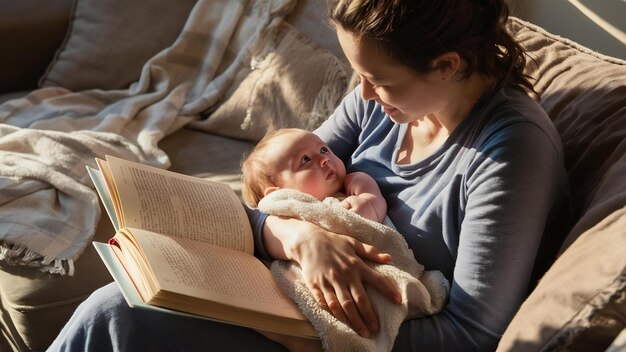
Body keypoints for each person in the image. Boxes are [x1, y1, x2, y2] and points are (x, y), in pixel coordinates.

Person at [48, 0, 570, 351]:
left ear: (449, 65)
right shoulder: (384, 105)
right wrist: (299, 237)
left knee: (118, 320)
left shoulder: (510, 152)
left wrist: (304, 329)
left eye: (378, 80)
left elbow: (471, 334)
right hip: (284, 290)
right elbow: (268, 195)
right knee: (115, 308)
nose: (361, 95)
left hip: (340, 336)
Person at [241, 127, 387, 224]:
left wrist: (368, 206)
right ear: (279, 194)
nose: (324, 159)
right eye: (305, 159)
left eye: (323, 150)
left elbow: (375, 201)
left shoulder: (355, 182)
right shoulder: (286, 215)